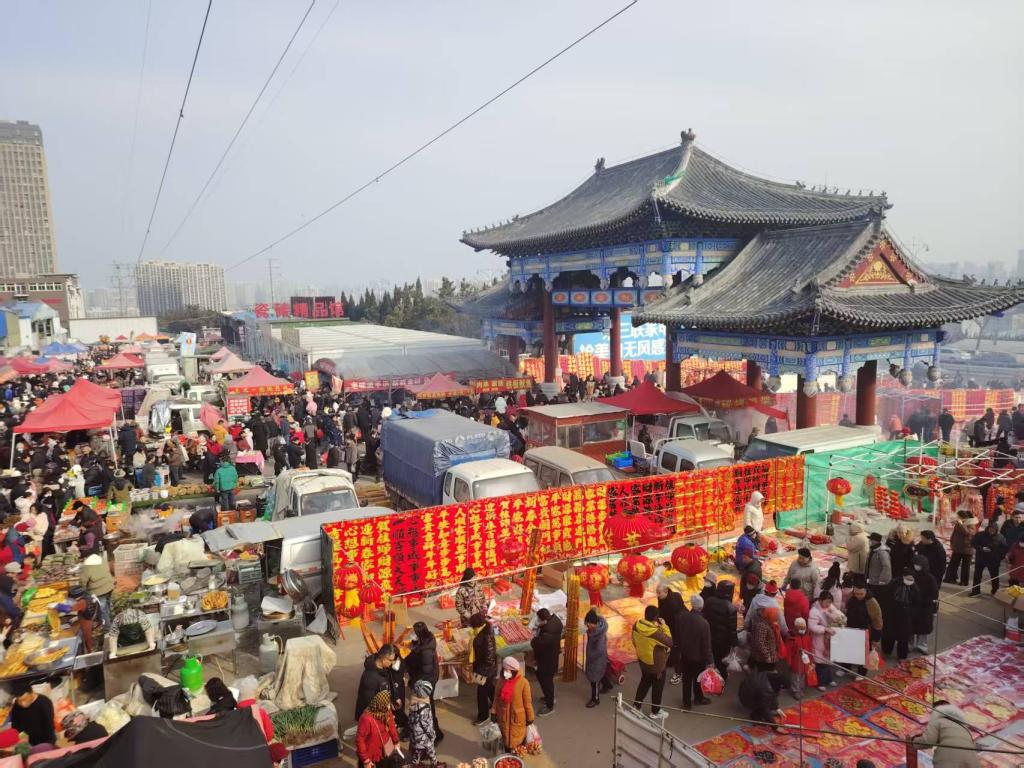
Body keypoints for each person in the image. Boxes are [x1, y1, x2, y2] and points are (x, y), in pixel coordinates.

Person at [631, 605, 673, 719]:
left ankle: (636, 706)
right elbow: (669, 642)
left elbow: (634, 641)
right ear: (656, 617)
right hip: (657, 665)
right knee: (657, 687)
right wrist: (664, 626)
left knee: (644, 682)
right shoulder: (656, 633)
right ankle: (655, 711)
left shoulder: (636, 625)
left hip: (643, 661)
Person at [911, 699, 980, 768]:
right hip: (971, 760)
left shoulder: (938, 721)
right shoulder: (961, 724)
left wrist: (913, 741)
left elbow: (927, 742)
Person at [405, 622, 442, 743]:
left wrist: (416, 683)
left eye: (414, 632)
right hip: (425, 678)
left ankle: (435, 733)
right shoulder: (424, 642)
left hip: (426, 681)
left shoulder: (426, 650)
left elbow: (426, 670)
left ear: (419, 633)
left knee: (428, 707)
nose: (412, 634)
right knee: (425, 707)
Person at [674, 596, 713, 709]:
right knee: (698, 679)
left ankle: (686, 702)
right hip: (698, 657)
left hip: (685, 655)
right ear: (701, 607)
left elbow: (677, 635)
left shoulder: (682, 617)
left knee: (686, 680)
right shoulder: (704, 623)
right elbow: (706, 645)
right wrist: (710, 661)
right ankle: (698, 698)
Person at [493, 656, 535, 752]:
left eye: (507, 670)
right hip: (503, 718)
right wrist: (493, 712)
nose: (505, 673)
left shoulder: (524, 683)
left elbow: (527, 703)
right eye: (504, 670)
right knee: (505, 741)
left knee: (518, 745)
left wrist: (530, 717)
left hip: (517, 719)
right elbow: (496, 698)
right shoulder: (501, 681)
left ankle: (517, 755)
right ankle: (507, 753)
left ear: (514, 671)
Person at [881, 567, 921, 660]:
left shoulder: (915, 588)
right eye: (907, 579)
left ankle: (902, 656)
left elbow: (917, 603)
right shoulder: (894, 583)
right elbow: (886, 597)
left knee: (903, 637)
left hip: (906, 615)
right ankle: (886, 652)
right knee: (889, 634)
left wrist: (911, 612)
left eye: (911, 579)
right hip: (893, 612)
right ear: (903, 577)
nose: (909, 581)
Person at [845, 577, 883, 673]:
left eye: (861, 594)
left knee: (863, 653)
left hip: (865, 632)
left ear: (866, 591)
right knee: (849, 650)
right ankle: (846, 668)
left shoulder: (871, 602)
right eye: (856, 593)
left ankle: (861, 673)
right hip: (851, 629)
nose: (859, 596)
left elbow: (877, 620)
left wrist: (876, 638)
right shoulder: (851, 598)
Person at [702, 580, 738, 681]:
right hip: (722, 640)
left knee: (710, 657)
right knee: (720, 660)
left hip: (709, 635)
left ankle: (709, 676)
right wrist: (734, 644)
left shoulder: (709, 601)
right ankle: (721, 678)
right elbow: (732, 629)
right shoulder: (731, 608)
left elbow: (704, 616)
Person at [356, 690, 401, 768]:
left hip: (384, 752)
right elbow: (360, 740)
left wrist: (396, 741)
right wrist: (366, 760)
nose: (389, 707)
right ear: (381, 704)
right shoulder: (366, 719)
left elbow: (392, 727)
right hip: (371, 757)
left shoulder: (386, 711)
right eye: (387, 704)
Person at [531, 607, 562, 715]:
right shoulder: (555, 622)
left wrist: (534, 639)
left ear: (544, 620)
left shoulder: (548, 634)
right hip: (549, 658)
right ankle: (549, 697)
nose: (537, 621)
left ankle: (549, 706)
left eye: (539, 619)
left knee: (546, 682)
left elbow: (536, 643)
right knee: (543, 679)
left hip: (547, 661)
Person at [470, 612, 497, 724]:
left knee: (481, 693)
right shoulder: (484, 632)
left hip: (485, 670)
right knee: (490, 689)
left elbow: (489, 658)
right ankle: (498, 706)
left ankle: (483, 716)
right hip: (488, 669)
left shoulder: (485, 636)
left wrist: (482, 672)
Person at [10, 681, 56, 747]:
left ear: (32, 693)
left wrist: (49, 744)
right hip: (27, 741)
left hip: (44, 740)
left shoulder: (44, 703)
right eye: (19, 701)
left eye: (25, 699)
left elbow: (49, 726)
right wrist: (22, 737)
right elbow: (15, 724)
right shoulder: (17, 705)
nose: (23, 704)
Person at [656, 583, 685, 685]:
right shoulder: (665, 598)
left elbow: (676, 618)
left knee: (676, 650)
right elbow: (660, 610)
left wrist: (663, 624)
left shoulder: (673, 603)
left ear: (666, 591)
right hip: (669, 627)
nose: (657, 595)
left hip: (676, 629)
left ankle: (678, 673)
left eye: (659, 593)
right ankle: (672, 662)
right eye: (657, 592)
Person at [808, 593, 839, 690]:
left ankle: (829, 679)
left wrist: (837, 619)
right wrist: (825, 629)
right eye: (826, 602)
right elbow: (812, 626)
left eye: (830, 602)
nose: (828, 604)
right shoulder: (814, 611)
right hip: (819, 639)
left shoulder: (830, 607)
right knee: (820, 662)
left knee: (829, 661)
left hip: (829, 638)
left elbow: (837, 615)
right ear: (820, 600)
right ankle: (820, 682)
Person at [355, 645, 394, 721]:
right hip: (371, 718)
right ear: (384, 660)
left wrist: (389, 703)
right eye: (391, 660)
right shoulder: (370, 677)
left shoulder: (383, 669)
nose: (392, 663)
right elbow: (368, 703)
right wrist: (383, 716)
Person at [910, 554, 939, 653]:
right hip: (913, 605)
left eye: (918, 564)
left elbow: (934, 594)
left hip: (925, 607)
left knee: (923, 628)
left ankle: (922, 646)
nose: (916, 566)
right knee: (910, 627)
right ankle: (910, 645)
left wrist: (932, 607)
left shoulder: (930, 578)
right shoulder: (911, 575)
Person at [970, 520, 1005, 595]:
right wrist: (981, 548)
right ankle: (975, 591)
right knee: (977, 575)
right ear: (988, 528)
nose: (992, 531)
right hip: (980, 558)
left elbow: (1004, 548)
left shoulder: (1000, 537)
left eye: (994, 530)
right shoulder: (980, 534)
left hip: (993, 560)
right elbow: (973, 543)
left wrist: (999, 557)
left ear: (996, 530)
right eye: (990, 529)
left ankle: (995, 591)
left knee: (994, 576)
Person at [79, 552, 114, 627]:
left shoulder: (86, 566)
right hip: (109, 586)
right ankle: (112, 621)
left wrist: (83, 589)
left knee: (103, 610)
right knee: (108, 606)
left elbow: (83, 581)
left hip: (98, 592)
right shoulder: (102, 560)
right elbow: (108, 570)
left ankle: (107, 627)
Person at [583, 609, 609, 708]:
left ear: (593, 623)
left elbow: (599, 650)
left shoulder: (598, 636)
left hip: (596, 659)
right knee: (600, 673)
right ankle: (607, 685)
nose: (587, 626)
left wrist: (590, 656)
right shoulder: (598, 628)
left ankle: (595, 699)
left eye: (588, 624)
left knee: (594, 680)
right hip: (599, 658)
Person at [407, 680, 437, 766]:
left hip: (415, 735)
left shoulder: (413, 704)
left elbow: (410, 721)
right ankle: (434, 764)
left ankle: (415, 764)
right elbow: (427, 725)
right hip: (424, 737)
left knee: (417, 752)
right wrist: (432, 735)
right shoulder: (425, 709)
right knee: (431, 751)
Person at [68, 584, 103, 653]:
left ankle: (93, 657)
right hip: (97, 624)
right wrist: (77, 617)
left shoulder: (82, 602)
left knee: (93, 650)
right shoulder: (89, 597)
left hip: (92, 629)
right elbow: (89, 611)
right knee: (97, 645)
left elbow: (68, 609)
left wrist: (57, 606)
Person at [783, 617, 813, 699]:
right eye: (800, 627)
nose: (802, 629)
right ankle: (795, 690)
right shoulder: (791, 638)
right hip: (795, 662)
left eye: (804, 627)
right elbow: (789, 651)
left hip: (804, 661)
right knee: (795, 677)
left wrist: (811, 659)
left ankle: (801, 688)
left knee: (802, 676)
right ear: (796, 627)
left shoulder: (806, 636)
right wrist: (789, 662)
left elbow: (810, 648)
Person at [945, 510, 977, 586]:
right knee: (953, 564)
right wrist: (952, 543)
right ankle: (951, 578)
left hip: (967, 549)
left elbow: (967, 532)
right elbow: (954, 534)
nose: (957, 518)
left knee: (965, 567)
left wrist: (961, 524)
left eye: (958, 516)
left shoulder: (971, 524)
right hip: (957, 547)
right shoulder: (959, 524)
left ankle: (964, 582)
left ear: (963, 517)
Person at [751, 605, 784, 672]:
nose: (776, 619)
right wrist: (767, 656)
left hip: (769, 658)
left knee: (767, 675)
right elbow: (760, 643)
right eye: (775, 617)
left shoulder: (769, 624)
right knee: (763, 675)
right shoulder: (762, 625)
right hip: (764, 659)